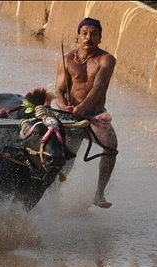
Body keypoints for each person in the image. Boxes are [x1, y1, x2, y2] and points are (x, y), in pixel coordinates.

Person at [55, 17, 118, 209]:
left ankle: (99, 193)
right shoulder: (67, 60)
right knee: (66, 156)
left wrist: (82, 109)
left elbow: (98, 88)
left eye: (93, 34)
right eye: (84, 34)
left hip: (94, 116)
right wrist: (63, 105)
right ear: (77, 38)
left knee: (110, 144)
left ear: (100, 38)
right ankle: (52, 193)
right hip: (71, 116)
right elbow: (58, 91)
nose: (88, 38)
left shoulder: (106, 59)